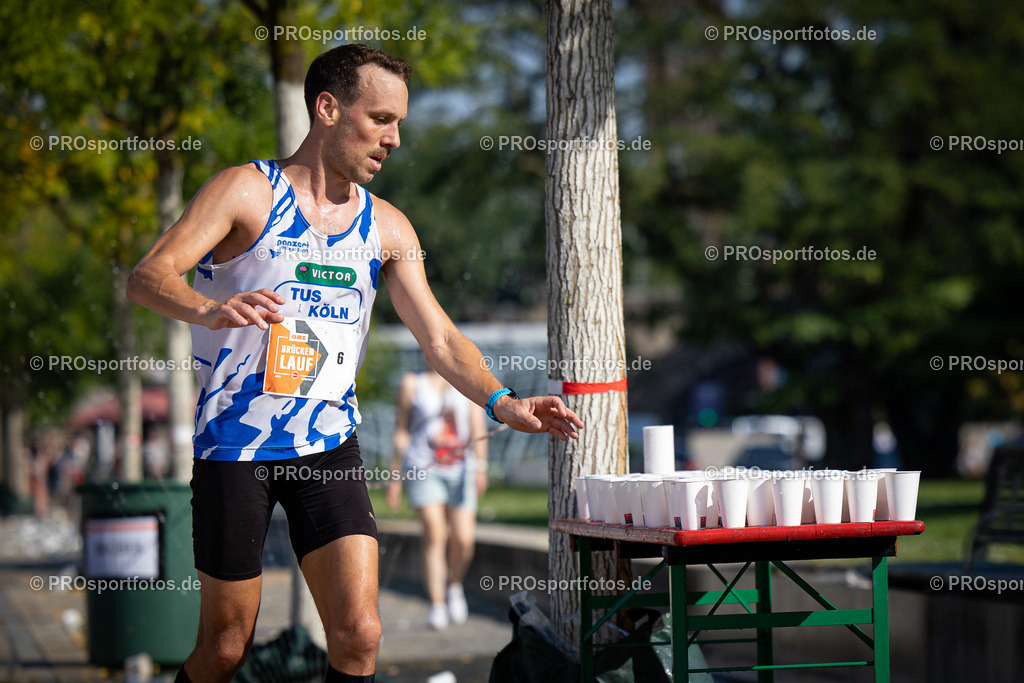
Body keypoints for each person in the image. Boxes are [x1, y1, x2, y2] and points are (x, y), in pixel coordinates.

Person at [126, 43, 583, 683]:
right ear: (328, 108)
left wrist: (504, 402)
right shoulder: (245, 192)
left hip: (327, 447)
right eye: (381, 119)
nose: (394, 139)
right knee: (226, 646)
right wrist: (209, 309)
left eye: (400, 123)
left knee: (359, 634)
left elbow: (442, 339)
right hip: (235, 448)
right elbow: (147, 278)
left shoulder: (389, 229)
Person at [386, 366, 487, 629]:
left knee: (464, 539)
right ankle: (437, 603)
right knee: (435, 532)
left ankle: (454, 586)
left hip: (461, 468)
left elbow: (477, 426)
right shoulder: (412, 382)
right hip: (422, 467)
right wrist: (394, 476)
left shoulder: (467, 378)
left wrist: (482, 467)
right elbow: (402, 431)